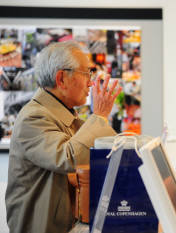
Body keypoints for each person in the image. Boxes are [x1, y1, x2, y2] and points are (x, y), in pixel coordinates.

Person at [5, 41, 122, 233]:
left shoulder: (63, 114)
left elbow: (98, 147)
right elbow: (68, 157)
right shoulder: (33, 117)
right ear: (61, 79)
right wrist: (99, 116)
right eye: (86, 74)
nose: (91, 82)